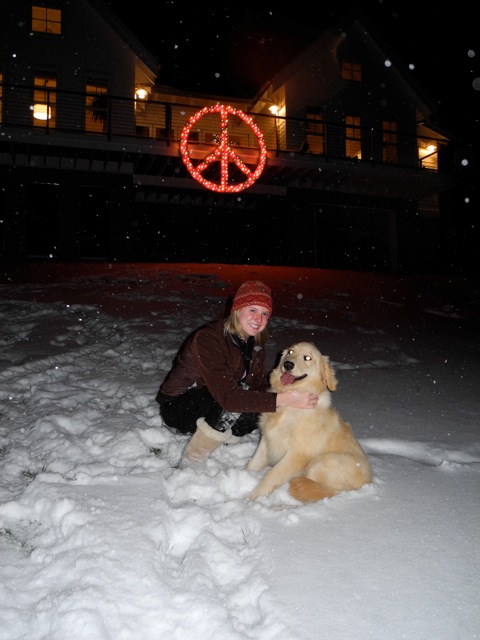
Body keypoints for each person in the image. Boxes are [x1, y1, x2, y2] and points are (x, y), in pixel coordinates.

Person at [155, 280, 318, 466]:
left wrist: (285, 387)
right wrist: (284, 399)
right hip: (179, 407)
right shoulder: (208, 338)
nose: (259, 319)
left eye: (265, 313)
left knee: (262, 405)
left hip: (219, 401)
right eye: (253, 310)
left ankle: (226, 436)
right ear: (237, 309)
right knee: (241, 400)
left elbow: (257, 387)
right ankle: (192, 460)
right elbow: (230, 398)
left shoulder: (254, 343)